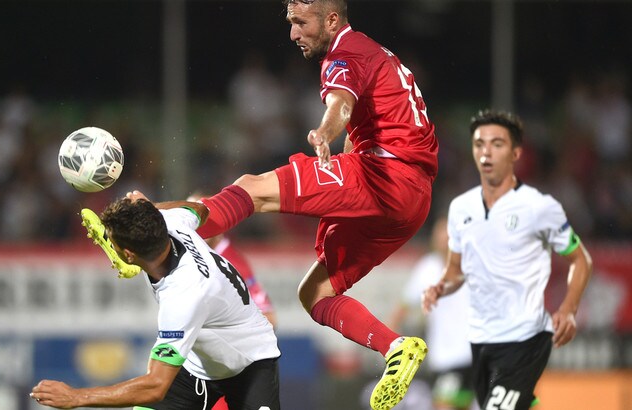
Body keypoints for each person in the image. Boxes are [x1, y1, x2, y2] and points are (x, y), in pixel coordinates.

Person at [193, 1, 438, 409]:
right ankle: (396, 347)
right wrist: (342, 141)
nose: (293, 34)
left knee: (252, 188)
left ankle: (164, 237)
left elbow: (340, 103)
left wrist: (324, 131)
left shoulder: (345, 51)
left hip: (385, 176)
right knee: (316, 292)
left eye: (300, 23)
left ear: (330, 19)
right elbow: (359, 112)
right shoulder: (374, 53)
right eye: (290, 23)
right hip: (413, 200)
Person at [30, 191, 281, 409]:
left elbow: (156, 386)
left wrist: (76, 397)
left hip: (249, 363)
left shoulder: (182, 297)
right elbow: (200, 209)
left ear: (128, 255)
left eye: (111, 244)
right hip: (197, 363)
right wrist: (152, 209)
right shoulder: (171, 222)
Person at [421, 109, 593, 410]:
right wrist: (440, 287)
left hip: (525, 338)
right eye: (479, 143)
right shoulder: (461, 209)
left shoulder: (540, 208)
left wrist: (568, 309)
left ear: (515, 153)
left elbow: (581, 260)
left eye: (497, 143)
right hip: (480, 340)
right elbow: (455, 272)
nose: (486, 151)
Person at [188, 193, 278, 410]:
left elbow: (270, 317)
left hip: (227, 368)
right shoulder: (194, 251)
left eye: (202, 218)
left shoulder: (231, 262)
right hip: (199, 362)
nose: (195, 225)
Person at [387, 217, 476, 410]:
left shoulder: (472, 265)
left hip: (472, 352)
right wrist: (389, 343)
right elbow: (403, 307)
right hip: (445, 355)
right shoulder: (427, 268)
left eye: (448, 235)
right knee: (450, 404)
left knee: (447, 405)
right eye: (440, 235)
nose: (444, 240)